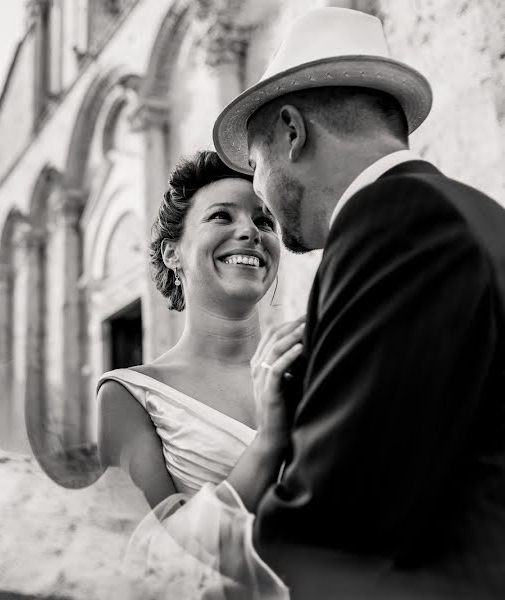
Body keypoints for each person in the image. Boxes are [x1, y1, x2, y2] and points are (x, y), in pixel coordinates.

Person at [205, 6, 505, 598]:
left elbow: (335, 524)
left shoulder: (392, 224)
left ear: (293, 132)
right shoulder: (471, 212)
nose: (261, 199)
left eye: (257, 165)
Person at [97, 149, 296, 511]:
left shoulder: (304, 364)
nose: (250, 231)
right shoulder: (128, 396)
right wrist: (270, 438)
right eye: (221, 215)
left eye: (265, 222)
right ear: (173, 254)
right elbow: (164, 547)